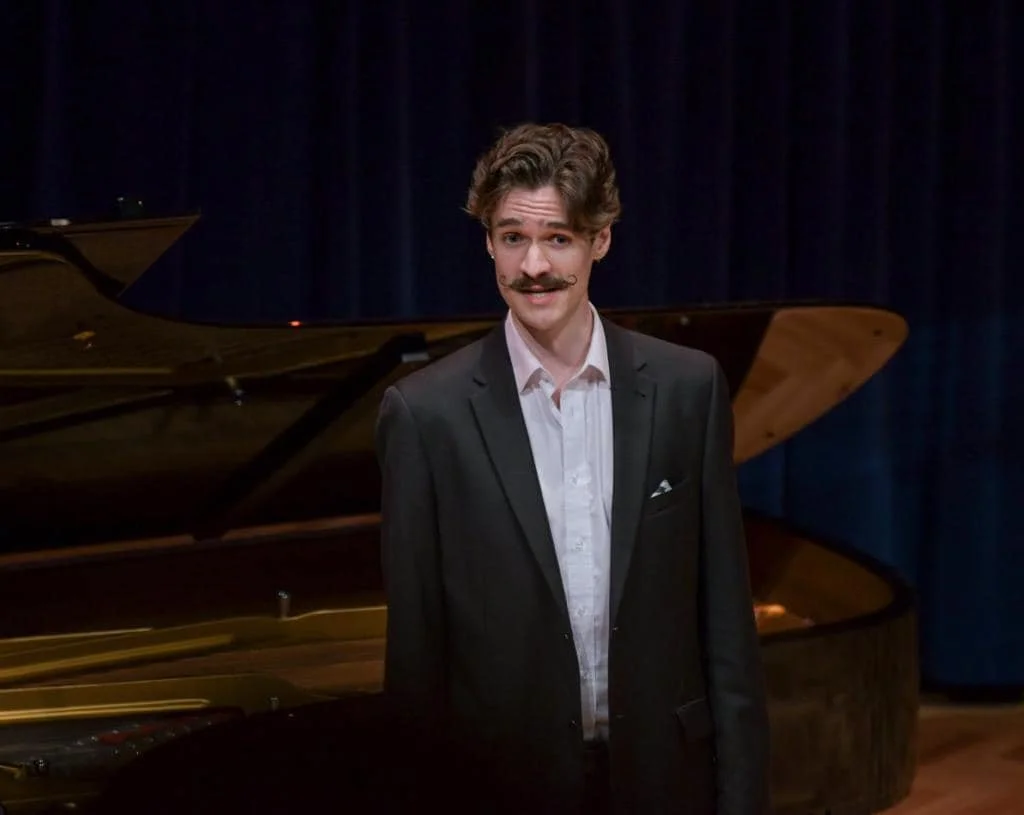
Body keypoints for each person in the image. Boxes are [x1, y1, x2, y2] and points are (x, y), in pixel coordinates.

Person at [375, 122, 771, 813]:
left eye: (558, 237)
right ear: (489, 242)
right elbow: (415, 668)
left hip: (664, 783)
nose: (534, 266)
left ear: (600, 239)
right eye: (512, 238)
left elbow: (728, 631)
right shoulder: (424, 416)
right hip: (501, 790)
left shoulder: (688, 389)